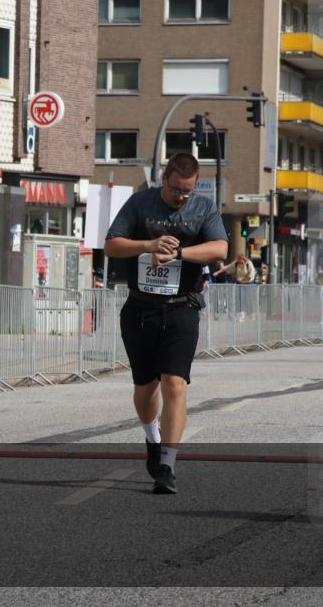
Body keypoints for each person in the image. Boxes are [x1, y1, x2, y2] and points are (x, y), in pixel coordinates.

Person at [104, 153, 228, 495]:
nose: (181, 197)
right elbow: (111, 245)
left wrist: (179, 253)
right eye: (176, 189)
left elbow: (220, 248)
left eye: (187, 191)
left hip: (181, 308)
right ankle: (153, 440)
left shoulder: (203, 208)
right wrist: (149, 244)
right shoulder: (140, 203)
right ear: (164, 178)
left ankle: (167, 467)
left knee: (175, 383)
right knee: (145, 388)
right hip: (140, 309)